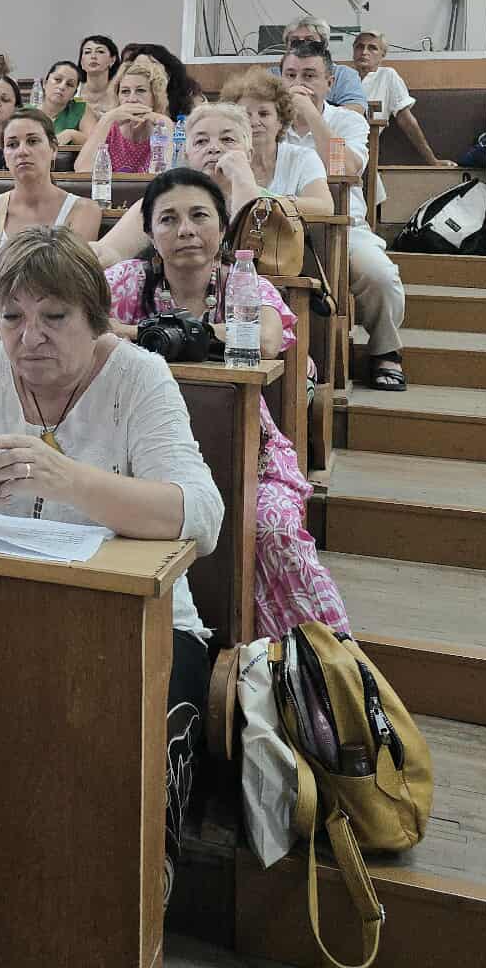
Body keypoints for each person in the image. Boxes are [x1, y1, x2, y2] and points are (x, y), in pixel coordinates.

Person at [0, 226, 221, 897]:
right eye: (12, 318)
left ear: (95, 317)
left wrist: (68, 480)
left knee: (110, 759)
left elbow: (201, 513)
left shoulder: (139, 376)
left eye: (54, 317)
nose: (29, 338)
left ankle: (131, 896)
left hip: (133, 620)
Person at [104, 169, 350, 639]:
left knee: (274, 530)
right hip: (140, 456)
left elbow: (267, 339)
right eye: (168, 220)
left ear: (222, 228)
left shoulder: (244, 282)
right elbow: (85, 321)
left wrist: (152, 335)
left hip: (250, 455)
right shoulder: (129, 281)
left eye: (199, 216)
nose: (186, 230)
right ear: (151, 233)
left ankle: (312, 657)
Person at [279, 42, 408, 389]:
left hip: (343, 227)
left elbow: (345, 168)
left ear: (330, 83)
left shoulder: (348, 120)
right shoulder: (268, 120)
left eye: (309, 76)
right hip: (278, 227)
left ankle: (385, 351)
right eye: (290, 75)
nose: (298, 84)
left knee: (380, 275)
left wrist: (311, 115)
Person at [92, 90, 332, 268]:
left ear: (248, 155)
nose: (214, 148)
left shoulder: (267, 203)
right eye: (201, 141)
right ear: (187, 155)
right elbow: (108, 252)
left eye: (228, 140)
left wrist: (241, 177)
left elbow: (251, 254)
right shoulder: (163, 203)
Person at [0, 109, 101, 258]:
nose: (22, 151)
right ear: (4, 156)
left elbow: (73, 270)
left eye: (33, 141)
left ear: (54, 149)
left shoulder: (84, 210)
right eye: (12, 144)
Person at [350, 32, 452, 167]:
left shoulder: (387, 76)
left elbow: (406, 120)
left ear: (382, 55)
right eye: (359, 47)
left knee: (351, 172)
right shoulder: (342, 76)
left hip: (361, 150)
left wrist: (432, 160)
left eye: (372, 48)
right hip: (334, 143)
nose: (364, 52)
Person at [75, 56, 172, 174]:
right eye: (125, 91)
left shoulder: (161, 126)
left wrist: (163, 122)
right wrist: (107, 119)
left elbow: (168, 173)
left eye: (140, 91)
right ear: (118, 96)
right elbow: (82, 170)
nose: (132, 99)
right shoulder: (109, 127)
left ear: (154, 96)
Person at [271, 17, 367, 113]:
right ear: (286, 46)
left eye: (309, 40)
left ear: (324, 44)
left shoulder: (344, 74)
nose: (302, 45)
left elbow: (357, 108)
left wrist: (313, 114)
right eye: (295, 41)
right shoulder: (272, 75)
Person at [118, 42, 204, 120]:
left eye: (151, 66)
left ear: (168, 70)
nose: (145, 70)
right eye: (139, 67)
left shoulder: (190, 96)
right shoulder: (126, 94)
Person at [37, 58, 89, 147]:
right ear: (45, 83)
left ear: (74, 94)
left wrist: (72, 135)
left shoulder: (81, 109)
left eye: (69, 84)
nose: (62, 87)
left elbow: (96, 142)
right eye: (57, 80)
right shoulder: (26, 112)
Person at [77, 34, 118, 119]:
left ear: (112, 60)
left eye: (100, 51)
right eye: (87, 52)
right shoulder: (73, 91)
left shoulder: (121, 91)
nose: (93, 56)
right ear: (81, 62)